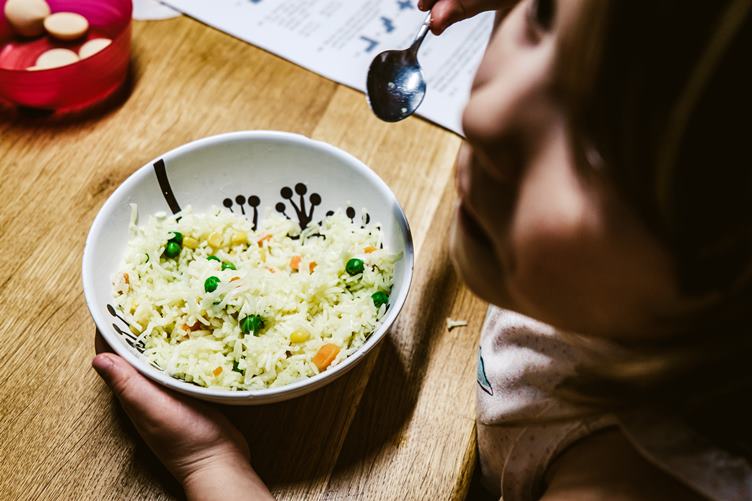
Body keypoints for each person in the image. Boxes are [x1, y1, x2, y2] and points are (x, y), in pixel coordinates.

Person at [92, 0, 752, 499]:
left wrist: (213, 467)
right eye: (542, 18)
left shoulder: (624, 476)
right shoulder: (601, 288)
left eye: (599, 148)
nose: (483, 115)